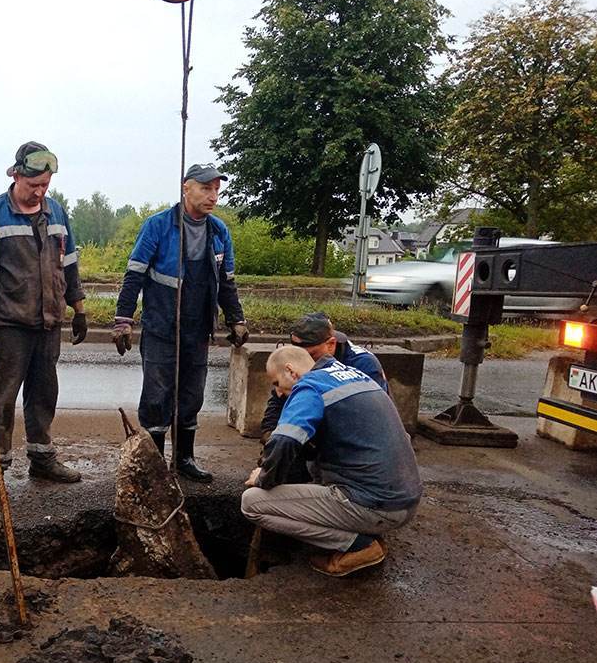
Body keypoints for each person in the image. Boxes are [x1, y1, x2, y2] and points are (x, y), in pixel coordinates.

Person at [0, 142, 87, 491]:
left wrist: (78, 308)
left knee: (44, 394)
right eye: (33, 185)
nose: (39, 192)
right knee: (1, 400)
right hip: (8, 325)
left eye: (45, 185)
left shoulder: (57, 214)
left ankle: (42, 459)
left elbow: (70, 264)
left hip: (48, 323)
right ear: (16, 175)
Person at [112, 164, 248, 482]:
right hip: (161, 326)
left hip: (198, 328)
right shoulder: (158, 226)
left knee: (191, 395)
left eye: (216, 189)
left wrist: (236, 319)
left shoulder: (219, 232)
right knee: (157, 395)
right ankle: (156, 464)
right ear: (186, 188)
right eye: (205, 188)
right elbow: (134, 275)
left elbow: (227, 282)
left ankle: (184, 458)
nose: (213, 195)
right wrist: (122, 321)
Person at [242, 346, 422, 577]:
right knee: (312, 463)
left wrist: (263, 477)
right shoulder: (351, 374)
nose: (277, 393)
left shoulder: (310, 388)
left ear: (290, 371)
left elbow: (285, 441)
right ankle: (363, 526)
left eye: (276, 383)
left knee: (252, 503)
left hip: (378, 506)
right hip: (404, 498)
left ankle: (359, 545)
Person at [259, 311, 387, 442]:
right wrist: (270, 436)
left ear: (331, 344)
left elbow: (375, 418)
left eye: (311, 355)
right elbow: (280, 398)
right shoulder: (301, 362)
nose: (304, 361)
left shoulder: (362, 363)